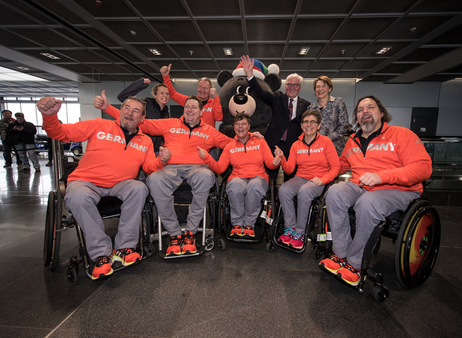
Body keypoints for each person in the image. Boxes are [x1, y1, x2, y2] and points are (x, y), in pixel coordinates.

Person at [37, 95, 171, 280]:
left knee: (139, 188)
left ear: (142, 118)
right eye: (126, 108)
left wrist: (161, 161)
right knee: (77, 196)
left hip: (121, 184)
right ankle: (101, 254)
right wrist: (50, 117)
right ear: (121, 110)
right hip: (86, 182)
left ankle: (124, 247)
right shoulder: (99, 125)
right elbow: (60, 133)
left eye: (135, 111)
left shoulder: (145, 141)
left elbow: (148, 167)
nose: (129, 113)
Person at [95, 94, 235, 256]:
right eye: (187, 106)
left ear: (201, 112)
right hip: (170, 167)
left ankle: (190, 232)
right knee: (154, 179)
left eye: (194, 107)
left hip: (198, 168)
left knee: (206, 177)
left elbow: (230, 143)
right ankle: (174, 233)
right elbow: (140, 122)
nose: (190, 110)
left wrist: (253, 138)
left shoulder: (209, 131)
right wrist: (107, 108)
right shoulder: (170, 124)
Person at [319, 95, 432, 286]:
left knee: (368, 202)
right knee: (334, 192)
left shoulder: (401, 134)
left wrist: (383, 176)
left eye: (370, 107)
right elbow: (339, 165)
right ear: (357, 118)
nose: (365, 112)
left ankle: (355, 264)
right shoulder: (352, 142)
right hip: (361, 186)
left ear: (381, 112)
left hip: (397, 189)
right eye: (360, 109)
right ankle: (340, 254)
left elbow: (423, 168)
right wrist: (318, 175)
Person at [198, 113, 282, 237]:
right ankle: (237, 223)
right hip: (238, 177)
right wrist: (207, 157)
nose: (240, 126)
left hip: (258, 176)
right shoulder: (229, 146)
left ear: (249, 126)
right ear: (234, 128)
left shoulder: (260, 141)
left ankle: (249, 223)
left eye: (243, 123)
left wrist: (275, 162)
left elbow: (270, 164)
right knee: (235, 186)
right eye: (237, 124)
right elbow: (220, 168)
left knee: (255, 186)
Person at [275, 110, 340, 249]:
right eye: (305, 122)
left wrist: (324, 179)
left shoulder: (326, 142)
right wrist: (282, 159)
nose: (308, 124)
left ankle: (300, 232)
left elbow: (336, 167)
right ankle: (290, 228)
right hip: (300, 177)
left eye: (312, 122)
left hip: (318, 179)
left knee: (304, 191)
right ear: (302, 125)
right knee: (283, 190)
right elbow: (289, 170)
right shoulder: (296, 145)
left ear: (319, 125)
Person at [240, 55, 311, 179]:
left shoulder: (306, 105)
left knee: (290, 177)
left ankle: (285, 198)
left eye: (295, 85)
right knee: (268, 176)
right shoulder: (277, 97)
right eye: (289, 84)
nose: (292, 87)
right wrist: (250, 75)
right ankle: (268, 197)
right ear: (285, 86)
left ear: (299, 88)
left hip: (293, 146)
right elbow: (261, 93)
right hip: (273, 143)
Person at [116, 78, 170, 154]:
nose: (165, 96)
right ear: (154, 95)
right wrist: (140, 84)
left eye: (167, 94)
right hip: (142, 147)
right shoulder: (146, 104)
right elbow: (122, 97)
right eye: (162, 93)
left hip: (156, 150)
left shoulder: (165, 112)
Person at [160, 64, 222, 128]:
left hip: (207, 136)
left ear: (210, 90)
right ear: (197, 87)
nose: (202, 90)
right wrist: (166, 77)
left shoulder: (214, 103)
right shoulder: (189, 101)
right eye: (200, 87)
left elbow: (219, 118)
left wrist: (215, 97)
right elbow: (173, 94)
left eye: (205, 88)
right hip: (191, 135)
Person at [308, 76, 349, 156]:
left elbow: (344, 126)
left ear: (330, 89)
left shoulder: (338, 102)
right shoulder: (311, 108)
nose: (320, 89)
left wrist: (326, 140)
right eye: (318, 87)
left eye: (324, 86)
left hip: (335, 148)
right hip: (317, 149)